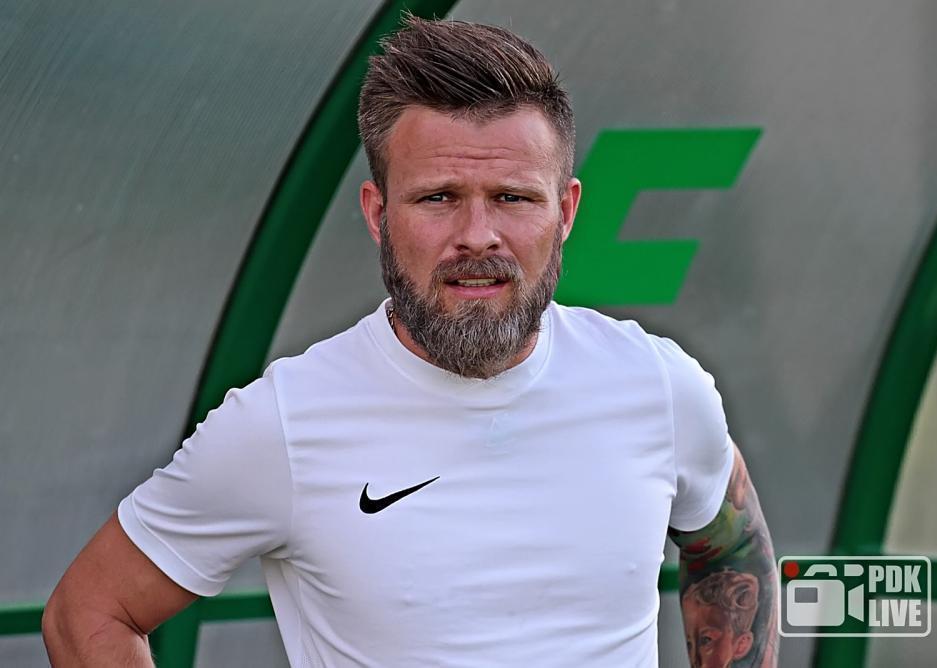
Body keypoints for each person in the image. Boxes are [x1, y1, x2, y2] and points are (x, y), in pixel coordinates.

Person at [43, 16, 778, 667]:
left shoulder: (658, 386)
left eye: (513, 198)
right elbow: (88, 614)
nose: (478, 235)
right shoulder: (284, 422)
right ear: (377, 213)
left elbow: (730, 548)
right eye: (438, 198)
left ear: (566, 211)